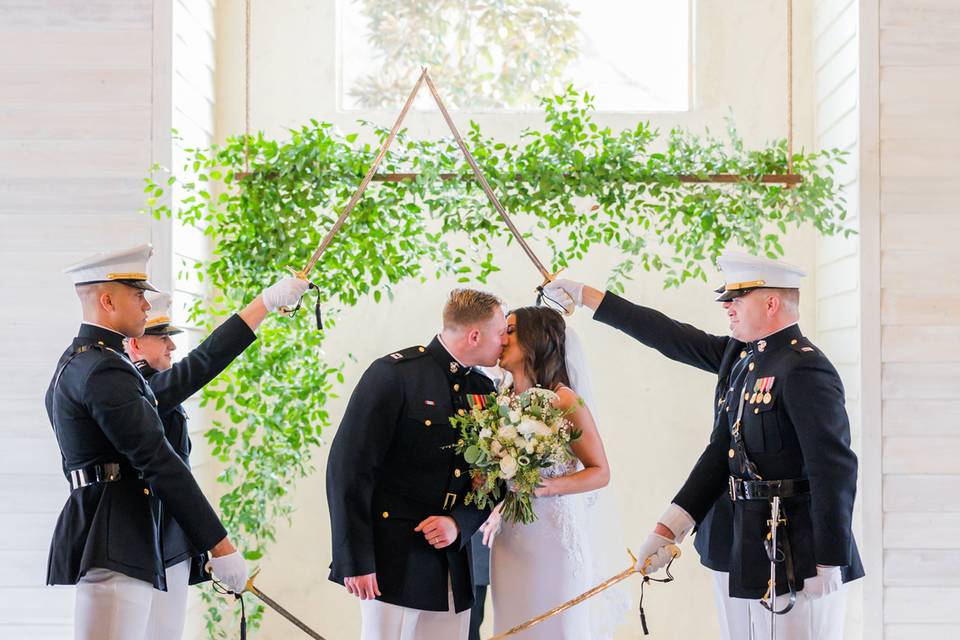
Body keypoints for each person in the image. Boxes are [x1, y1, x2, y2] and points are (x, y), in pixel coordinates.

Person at [544, 251, 864, 639]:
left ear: (771, 302)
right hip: (739, 541)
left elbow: (833, 468)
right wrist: (669, 528)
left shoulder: (804, 368)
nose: (727, 307)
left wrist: (830, 559)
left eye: (736, 299)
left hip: (796, 550)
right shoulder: (742, 356)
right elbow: (720, 448)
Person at [46, 244, 298, 639]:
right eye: (138, 295)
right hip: (118, 538)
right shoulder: (103, 371)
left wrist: (263, 304)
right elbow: (158, 460)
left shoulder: (90, 363)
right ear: (108, 300)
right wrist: (221, 547)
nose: (147, 305)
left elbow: (200, 366)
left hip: (123, 535)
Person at [123, 279, 306, 639]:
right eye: (161, 337)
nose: (172, 345)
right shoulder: (144, 393)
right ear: (133, 344)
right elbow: (204, 362)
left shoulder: (153, 390)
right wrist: (263, 304)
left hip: (170, 548)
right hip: (148, 550)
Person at [326, 289, 508, 640]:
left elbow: (495, 477)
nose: (504, 342)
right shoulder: (394, 375)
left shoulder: (484, 390)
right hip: (389, 561)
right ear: (475, 335)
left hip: (452, 562)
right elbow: (347, 470)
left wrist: (459, 523)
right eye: (500, 332)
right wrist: (355, 560)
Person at [482, 306, 628, 639]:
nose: (502, 337)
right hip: (509, 542)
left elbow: (600, 471)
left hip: (553, 540)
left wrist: (550, 486)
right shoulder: (500, 402)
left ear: (538, 338)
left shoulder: (564, 400)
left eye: (511, 330)